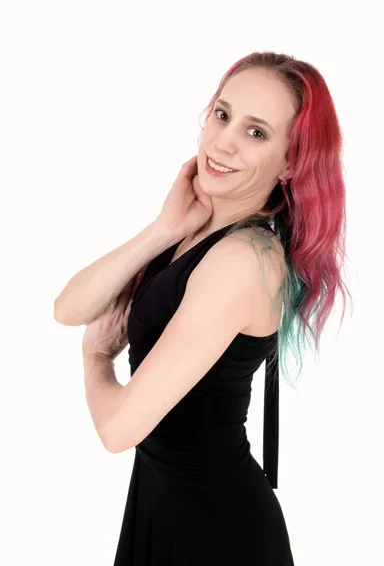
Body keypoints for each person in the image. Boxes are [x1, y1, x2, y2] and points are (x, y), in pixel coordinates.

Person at [54, 51, 350, 565]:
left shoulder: (242, 259)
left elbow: (118, 430)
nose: (224, 141)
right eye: (222, 113)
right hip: (164, 501)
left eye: (256, 133)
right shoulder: (198, 225)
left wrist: (95, 360)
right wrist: (163, 230)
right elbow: (69, 307)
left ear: (290, 162)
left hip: (213, 530)